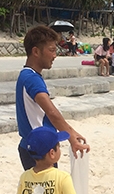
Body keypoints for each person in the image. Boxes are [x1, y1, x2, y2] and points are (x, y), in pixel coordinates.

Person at [16, 25, 89, 170]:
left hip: (34, 146)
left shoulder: (27, 75)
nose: (55, 55)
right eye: (51, 50)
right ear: (36, 51)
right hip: (39, 150)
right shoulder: (31, 78)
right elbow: (51, 112)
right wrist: (71, 136)